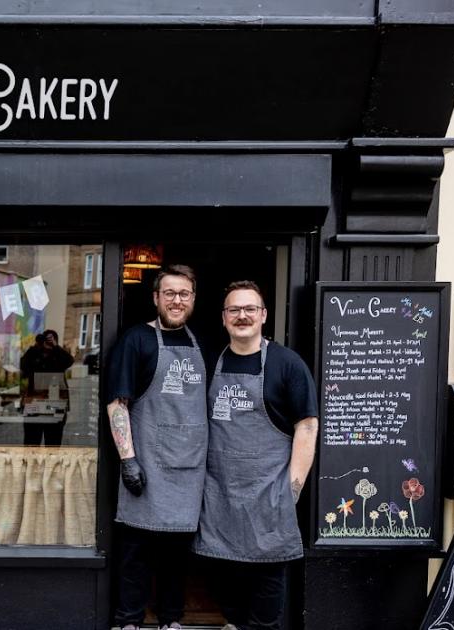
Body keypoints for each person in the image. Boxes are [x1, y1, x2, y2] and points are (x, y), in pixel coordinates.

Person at [194, 281, 319, 630]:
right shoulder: (210, 362)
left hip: (268, 497)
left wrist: (290, 492)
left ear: (263, 315)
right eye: (234, 309)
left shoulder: (286, 364)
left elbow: (307, 428)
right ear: (223, 318)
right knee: (221, 581)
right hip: (218, 497)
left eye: (250, 308)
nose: (242, 315)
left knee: (266, 596)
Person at [106, 265, 208, 630]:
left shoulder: (205, 343)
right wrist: (128, 459)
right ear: (155, 298)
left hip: (189, 467)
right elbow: (119, 404)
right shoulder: (137, 340)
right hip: (146, 462)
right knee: (136, 551)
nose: (176, 300)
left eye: (183, 293)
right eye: (169, 293)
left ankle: (171, 619)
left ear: (193, 299)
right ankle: (129, 620)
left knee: (176, 556)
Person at [20, 329, 73, 446]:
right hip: (34, 404)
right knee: (31, 444)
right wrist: (35, 347)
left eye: (51, 340)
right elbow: (23, 365)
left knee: (53, 445)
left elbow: (70, 361)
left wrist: (56, 347)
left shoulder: (59, 356)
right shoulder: (35, 354)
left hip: (55, 404)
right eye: (46, 341)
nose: (47, 344)